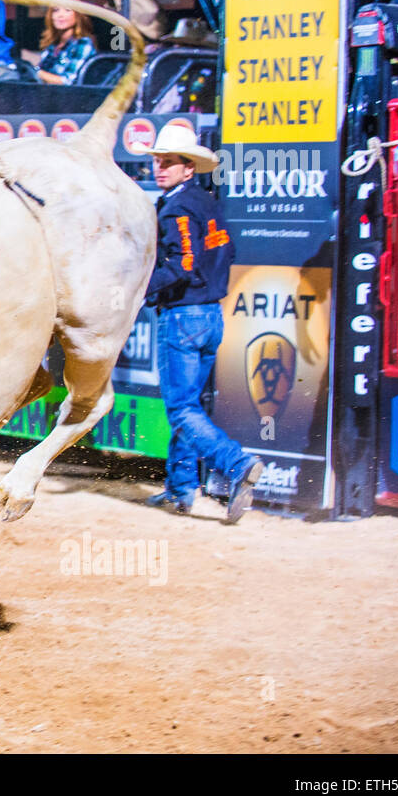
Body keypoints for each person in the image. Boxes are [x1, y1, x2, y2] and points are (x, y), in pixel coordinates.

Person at [140, 123, 265, 523]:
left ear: (187, 168)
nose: (160, 168)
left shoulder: (175, 208)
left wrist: (142, 288)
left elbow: (182, 264)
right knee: (189, 406)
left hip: (183, 315)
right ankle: (181, 491)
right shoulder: (207, 202)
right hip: (210, 315)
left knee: (180, 409)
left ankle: (237, 464)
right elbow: (226, 252)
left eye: (168, 162)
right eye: (158, 161)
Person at [31, 0, 98, 84]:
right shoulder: (53, 44)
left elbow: (68, 81)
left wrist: (35, 72)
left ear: (77, 15)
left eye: (67, 10)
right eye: (56, 10)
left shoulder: (83, 43)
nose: (60, 15)